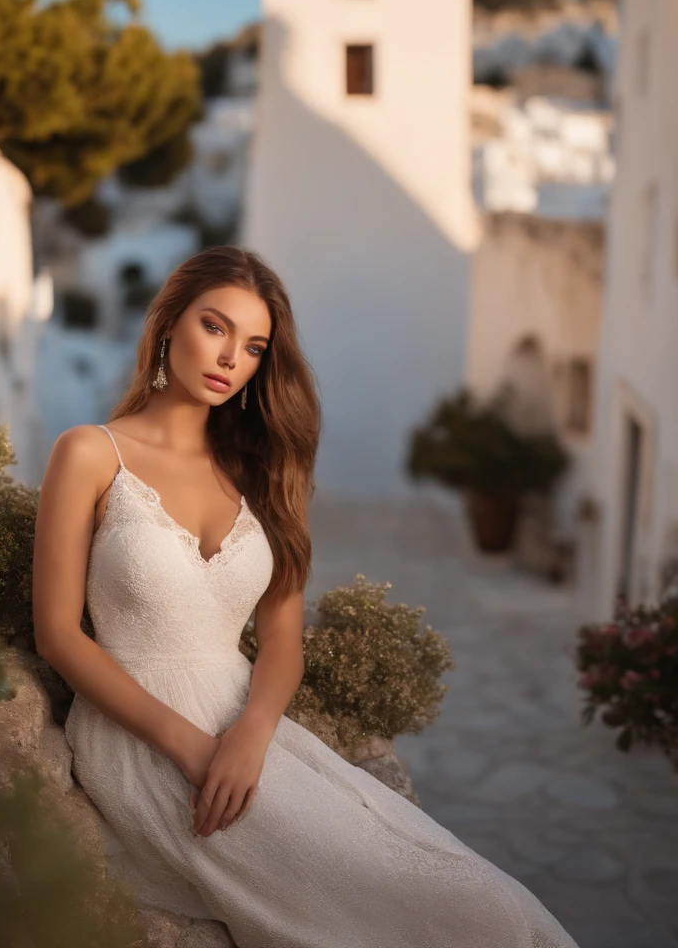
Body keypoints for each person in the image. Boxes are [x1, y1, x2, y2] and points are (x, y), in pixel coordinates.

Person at [33, 244, 579, 948]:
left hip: (249, 729)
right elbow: (58, 635)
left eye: (254, 345)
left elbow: (283, 645)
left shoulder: (260, 472)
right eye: (215, 326)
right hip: (142, 740)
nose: (231, 356)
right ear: (169, 322)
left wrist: (251, 736)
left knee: (480, 894)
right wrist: (197, 752)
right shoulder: (88, 453)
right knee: (406, 906)